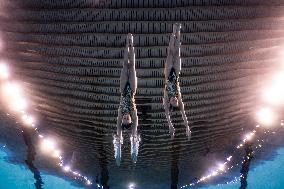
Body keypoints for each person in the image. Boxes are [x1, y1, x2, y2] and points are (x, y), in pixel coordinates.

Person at [113, 33, 140, 165]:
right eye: (126, 119)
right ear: (130, 120)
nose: (125, 117)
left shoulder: (120, 115)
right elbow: (134, 132)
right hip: (132, 90)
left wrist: (117, 154)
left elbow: (119, 134)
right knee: (133, 66)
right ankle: (131, 43)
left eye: (123, 118)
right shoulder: (134, 116)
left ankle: (126, 43)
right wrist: (134, 150)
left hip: (123, 90)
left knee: (125, 66)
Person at [163, 23, 191, 140]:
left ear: (169, 102)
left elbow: (167, 114)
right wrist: (187, 127)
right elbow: (183, 115)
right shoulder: (178, 97)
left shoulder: (165, 98)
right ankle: (178, 31)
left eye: (173, 101)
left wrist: (170, 124)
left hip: (168, 73)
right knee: (178, 51)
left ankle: (173, 32)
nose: (175, 99)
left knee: (170, 52)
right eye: (176, 101)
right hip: (177, 73)